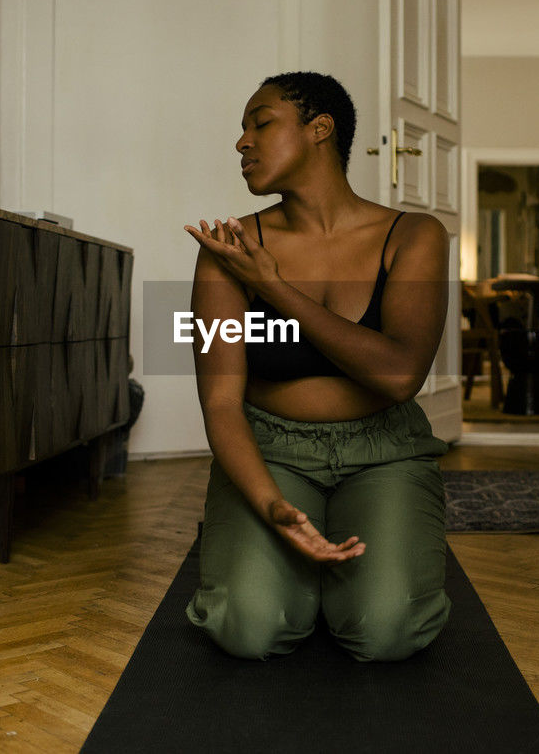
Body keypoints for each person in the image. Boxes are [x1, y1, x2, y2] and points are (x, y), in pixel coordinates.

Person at [181, 72, 451, 662]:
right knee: (248, 628)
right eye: (242, 128)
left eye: (261, 122)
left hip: (385, 450)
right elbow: (221, 403)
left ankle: (344, 578)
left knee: (386, 633)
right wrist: (271, 504)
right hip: (270, 450)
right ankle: (287, 573)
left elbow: (401, 374)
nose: (241, 142)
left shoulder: (414, 235)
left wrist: (273, 288)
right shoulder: (227, 250)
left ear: (319, 129)